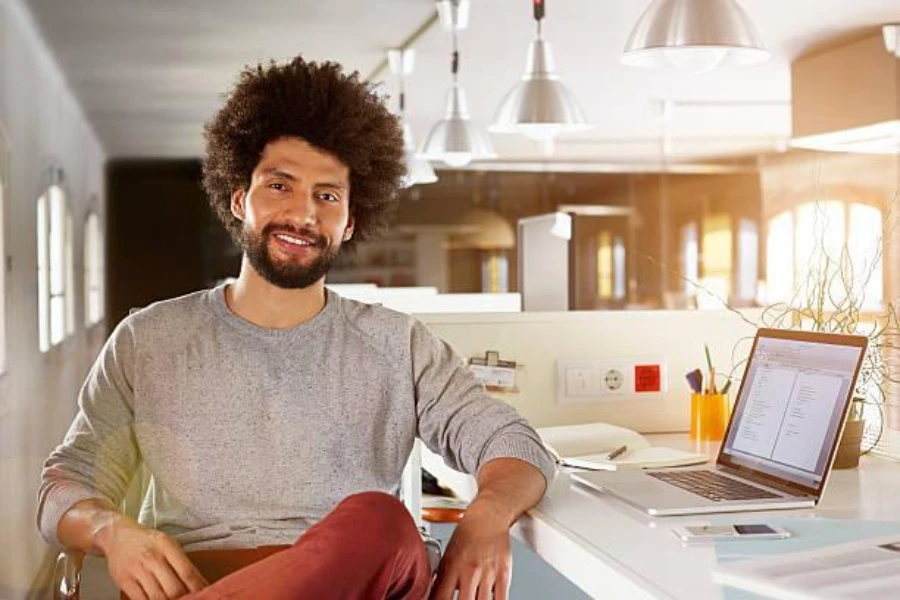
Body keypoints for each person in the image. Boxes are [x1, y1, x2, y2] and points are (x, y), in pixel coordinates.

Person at [37, 56, 556, 600]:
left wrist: (485, 518)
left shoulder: (397, 344)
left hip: (360, 577)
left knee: (382, 523)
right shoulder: (149, 340)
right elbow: (63, 486)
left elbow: (517, 445)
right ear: (240, 198)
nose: (304, 215)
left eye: (327, 196)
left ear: (350, 220)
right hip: (195, 577)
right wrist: (114, 532)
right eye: (280, 186)